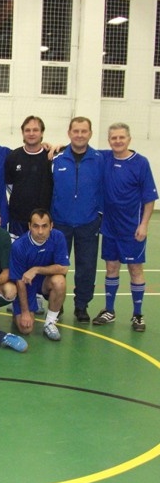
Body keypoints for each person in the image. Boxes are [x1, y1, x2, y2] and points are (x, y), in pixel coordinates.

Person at [92, 122, 158, 332]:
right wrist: (54, 147)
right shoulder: (104, 158)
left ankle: (137, 314)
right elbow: (80, 148)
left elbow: (149, 199)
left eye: (122, 137)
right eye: (114, 138)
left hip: (132, 229)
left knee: (135, 269)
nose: (118, 141)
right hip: (110, 228)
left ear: (129, 139)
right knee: (111, 268)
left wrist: (144, 225)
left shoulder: (141, 163)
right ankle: (109, 310)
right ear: (109, 140)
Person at [51, 117, 104, 324]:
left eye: (84, 131)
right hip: (60, 222)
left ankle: (81, 305)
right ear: (69, 133)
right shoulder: (56, 158)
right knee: (58, 266)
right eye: (76, 131)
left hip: (88, 223)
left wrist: (99, 215)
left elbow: (104, 189)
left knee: (87, 267)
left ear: (90, 133)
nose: (80, 135)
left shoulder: (100, 159)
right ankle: (57, 303)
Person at [9, 209, 69, 341]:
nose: (40, 231)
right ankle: (18, 311)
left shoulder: (58, 237)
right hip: (26, 284)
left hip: (44, 282)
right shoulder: (19, 246)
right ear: (29, 226)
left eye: (44, 226)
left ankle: (50, 322)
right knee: (26, 329)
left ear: (51, 226)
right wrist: (25, 312)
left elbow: (63, 268)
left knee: (59, 281)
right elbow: (19, 281)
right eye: (36, 226)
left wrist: (36, 270)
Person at [5, 115, 53, 241]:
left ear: (42, 133)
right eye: (27, 130)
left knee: (41, 252)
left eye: (35, 130)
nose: (31, 133)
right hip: (18, 219)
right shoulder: (13, 157)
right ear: (22, 133)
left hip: (43, 220)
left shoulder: (50, 157)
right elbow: (10, 186)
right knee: (18, 251)